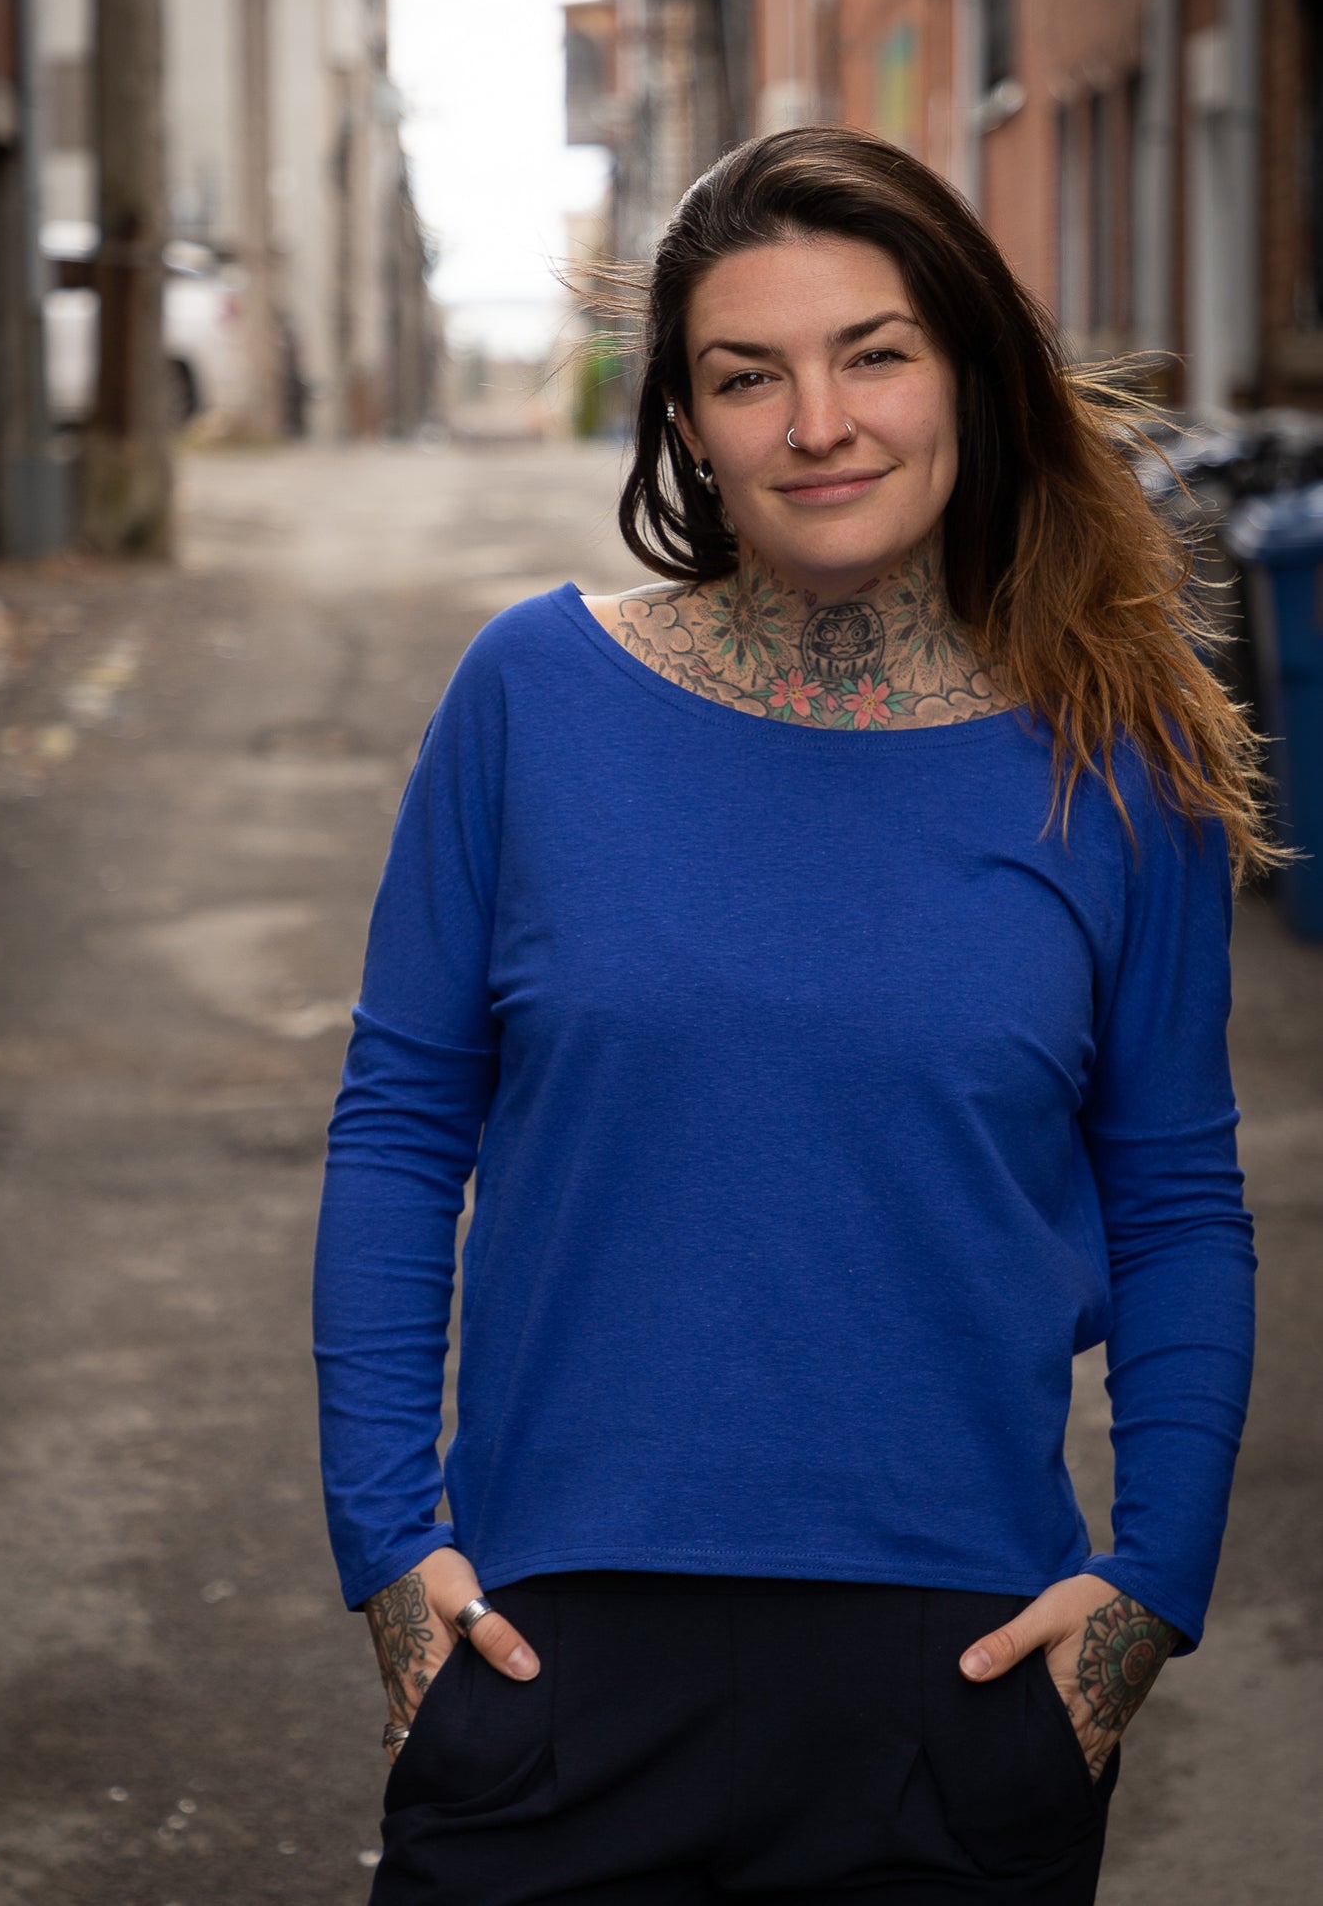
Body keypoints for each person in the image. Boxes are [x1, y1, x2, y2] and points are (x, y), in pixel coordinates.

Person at [311, 127, 1268, 1905]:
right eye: (748, 375)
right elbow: (399, 1128)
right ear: (686, 422)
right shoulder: (532, 698)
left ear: (967, 376)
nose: (817, 422)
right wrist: (385, 1548)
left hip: (956, 1691)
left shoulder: (1116, 763)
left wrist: (1147, 1595)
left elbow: (1175, 1203)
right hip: (549, 1657)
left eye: (872, 355)